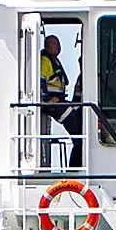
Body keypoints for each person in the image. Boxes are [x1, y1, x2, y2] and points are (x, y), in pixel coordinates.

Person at [37, 33, 80, 170]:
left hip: (60, 101)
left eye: (58, 43)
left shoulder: (54, 60)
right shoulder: (44, 61)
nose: (58, 46)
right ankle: (75, 165)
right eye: (54, 44)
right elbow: (40, 81)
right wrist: (47, 99)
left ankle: (77, 159)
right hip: (51, 104)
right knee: (78, 135)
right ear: (46, 46)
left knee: (78, 112)